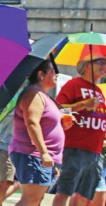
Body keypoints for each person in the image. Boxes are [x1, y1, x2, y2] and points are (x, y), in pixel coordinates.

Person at [9, 60, 70, 206]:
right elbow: (32, 123)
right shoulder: (33, 94)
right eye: (52, 71)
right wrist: (44, 152)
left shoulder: (41, 95)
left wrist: (62, 123)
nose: (56, 75)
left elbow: (43, 123)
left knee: (35, 200)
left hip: (43, 156)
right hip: (34, 154)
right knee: (30, 200)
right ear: (41, 74)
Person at [52, 53, 106, 206]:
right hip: (75, 148)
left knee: (84, 197)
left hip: (95, 151)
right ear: (87, 65)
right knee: (64, 192)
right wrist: (82, 105)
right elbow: (58, 107)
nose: (104, 67)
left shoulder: (100, 91)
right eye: (100, 62)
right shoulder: (74, 84)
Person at [0, 94, 21, 206]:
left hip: (4, 144)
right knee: (6, 181)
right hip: (6, 145)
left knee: (1, 180)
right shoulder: (17, 99)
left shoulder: (11, 97)